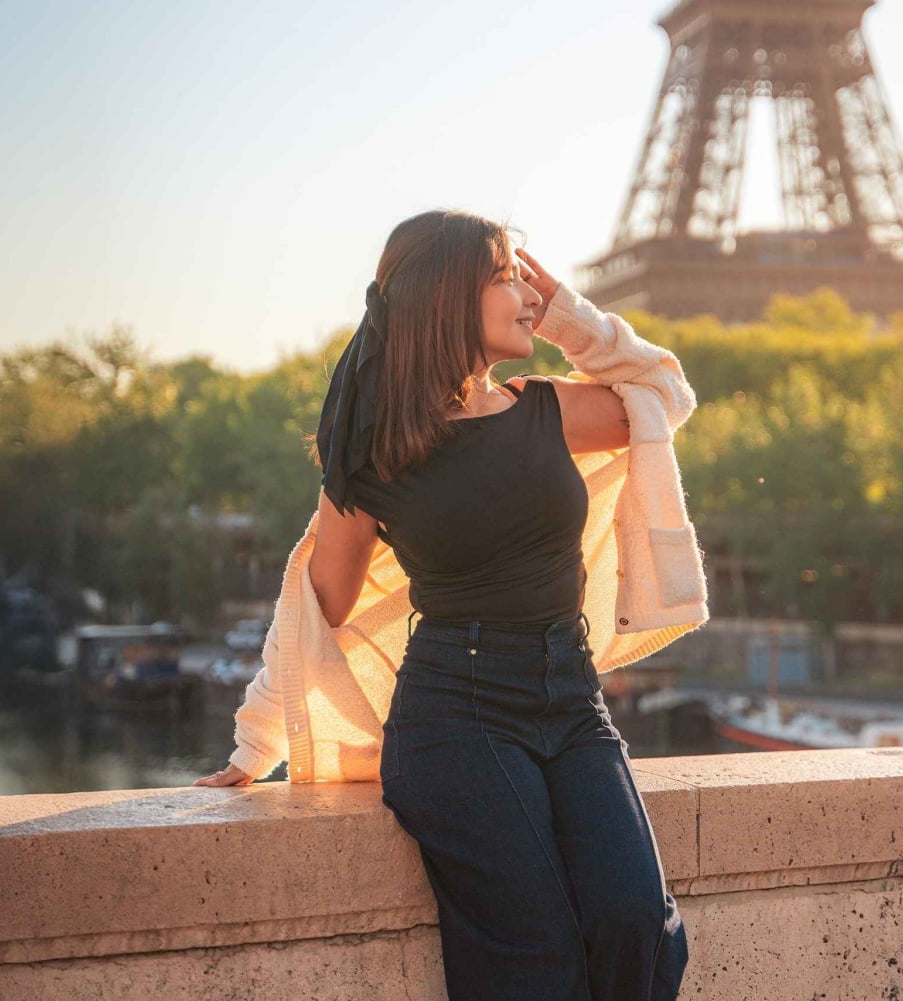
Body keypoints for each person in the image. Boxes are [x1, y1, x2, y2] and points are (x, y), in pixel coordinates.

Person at [195, 208, 691, 1000]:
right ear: (446, 296)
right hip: (455, 717)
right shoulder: (377, 450)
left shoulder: (544, 408)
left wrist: (570, 312)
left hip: (572, 699)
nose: (526, 292)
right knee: (536, 960)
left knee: (638, 922)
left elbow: (665, 393)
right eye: (505, 275)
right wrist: (256, 740)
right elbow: (317, 603)